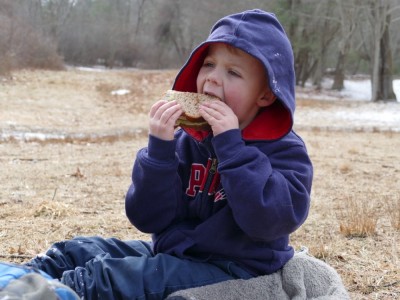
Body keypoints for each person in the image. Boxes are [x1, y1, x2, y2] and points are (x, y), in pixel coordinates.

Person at [4, 9, 313, 299]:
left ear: (265, 94)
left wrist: (232, 147)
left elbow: (267, 221)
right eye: (208, 64)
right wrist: (160, 152)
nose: (213, 78)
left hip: (235, 269)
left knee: (105, 277)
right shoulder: (187, 139)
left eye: (233, 72)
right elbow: (147, 217)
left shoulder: (284, 150)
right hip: (173, 255)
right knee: (76, 251)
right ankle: (16, 283)